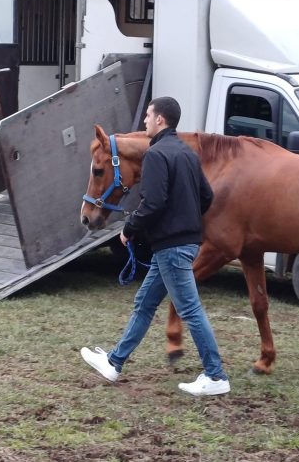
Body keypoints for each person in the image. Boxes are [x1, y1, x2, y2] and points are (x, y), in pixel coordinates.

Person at [81, 96, 230, 396]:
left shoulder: (155, 155)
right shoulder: (187, 154)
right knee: (145, 303)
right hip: (181, 243)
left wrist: (130, 228)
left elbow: (154, 201)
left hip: (172, 246)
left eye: (148, 115)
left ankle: (216, 376)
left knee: (189, 309)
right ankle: (114, 362)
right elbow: (207, 197)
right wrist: (184, 216)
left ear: (160, 120)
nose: (145, 121)